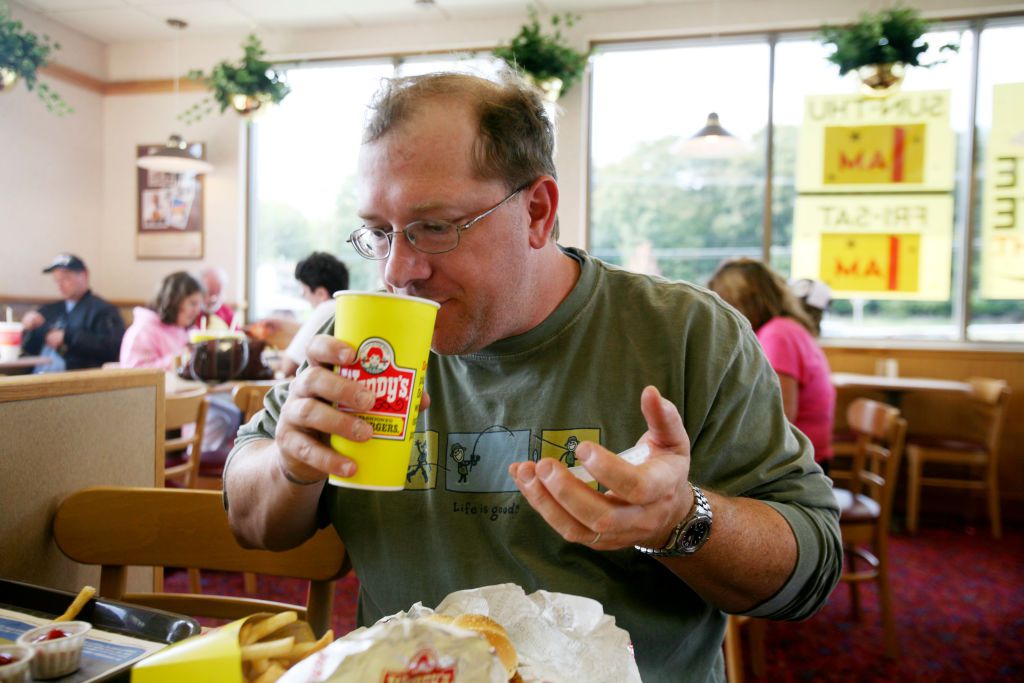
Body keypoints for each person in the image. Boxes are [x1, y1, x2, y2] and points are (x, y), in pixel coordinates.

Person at [224, 72, 841, 682]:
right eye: (380, 233)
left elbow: (809, 571)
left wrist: (681, 519)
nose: (398, 271)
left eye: (434, 228)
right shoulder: (361, 334)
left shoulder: (685, 333)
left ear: (537, 212)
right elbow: (249, 517)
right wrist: (290, 465)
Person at [708, 259, 837, 474]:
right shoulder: (787, 328)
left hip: (802, 467)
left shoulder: (778, 335)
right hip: (805, 455)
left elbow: (782, 417)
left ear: (742, 302)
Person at [21, 254, 125, 373]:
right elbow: (27, 347)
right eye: (57, 280)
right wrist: (28, 326)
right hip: (35, 376)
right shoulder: (50, 310)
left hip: (75, 381)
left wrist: (67, 337)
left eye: (65, 278)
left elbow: (111, 349)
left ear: (84, 275)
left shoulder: (103, 311)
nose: (60, 285)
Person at [279, 252, 349, 377]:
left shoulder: (327, 307)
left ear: (321, 294)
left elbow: (288, 366)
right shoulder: (346, 308)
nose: (303, 296)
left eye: (304, 291)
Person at [119, 271, 203, 371]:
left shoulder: (188, 331)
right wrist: (179, 360)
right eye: (193, 303)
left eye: (199, 305)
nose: (197, 311)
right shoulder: (142, 331)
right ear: (173, 301)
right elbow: (134, 373)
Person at [195, 266, 234, 331]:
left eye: (218, 294)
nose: (213, 299)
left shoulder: (228, 313)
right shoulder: (191, 313)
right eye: (210, 293)